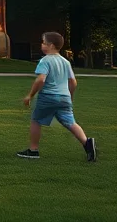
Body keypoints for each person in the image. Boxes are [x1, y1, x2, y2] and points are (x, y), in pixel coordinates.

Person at [18, 31, 97, 162]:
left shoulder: (45, 61)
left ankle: (33, 150)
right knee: (70, 122)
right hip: (64, 98)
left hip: (48, 97)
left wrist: (30, 95)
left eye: (44, 43)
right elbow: (73, 82)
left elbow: (41, 80)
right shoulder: (65, 62)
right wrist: (70, 97)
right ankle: (87, 144)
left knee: (36, 120)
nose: (42, 45)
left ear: (51, 45)